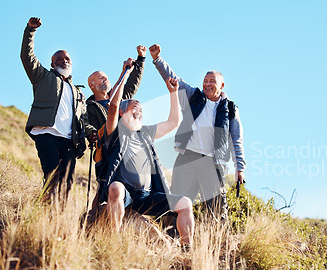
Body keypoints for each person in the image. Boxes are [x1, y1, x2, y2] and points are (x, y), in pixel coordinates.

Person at [98, 60, 194, 246]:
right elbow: (112, 108)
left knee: (185, 204)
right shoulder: (114, 133)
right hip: (126, 194)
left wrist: (173, 93)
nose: (139, 112)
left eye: (141, 110)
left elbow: (173, 123)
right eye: (134, 109)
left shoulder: (146, 133)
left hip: (146, 195)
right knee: (115, 189)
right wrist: (126, 72)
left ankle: (186, 249)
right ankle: (113, 242)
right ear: (122, 114)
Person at [149, 44, 246, 222]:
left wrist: (240, 167)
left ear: (222, 85)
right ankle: (173, 239)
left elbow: (236, 139)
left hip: (212, 162)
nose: (207, 84)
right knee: (177, 202)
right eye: (205, 81)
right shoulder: (194, 96)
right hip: (187, 158)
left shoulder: (230, 108)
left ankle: (215, 243)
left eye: (212, 82)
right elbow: (174, 80)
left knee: (216, 208)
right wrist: (158, 60)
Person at [20, 17, 89, 200]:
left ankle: (58, 221)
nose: (63, 61)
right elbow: (27, 57)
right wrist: (30, 31)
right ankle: (44, 214)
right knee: (51, 177)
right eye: (59, 59)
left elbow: (83, 120)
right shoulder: (43, 77)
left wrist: (87, 135)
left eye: (67, 58)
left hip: (68, 142)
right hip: (46, 134)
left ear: (71, 63)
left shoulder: (77, 92)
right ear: (52, 64)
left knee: (66, 184)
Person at [86, 45, 147, 134]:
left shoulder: (121, 97)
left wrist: (141, 58)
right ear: (92, 85)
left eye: (106, 77)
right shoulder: (90, 108)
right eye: (101, 78)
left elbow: (134, 82)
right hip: (111, 145)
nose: (105, 79)